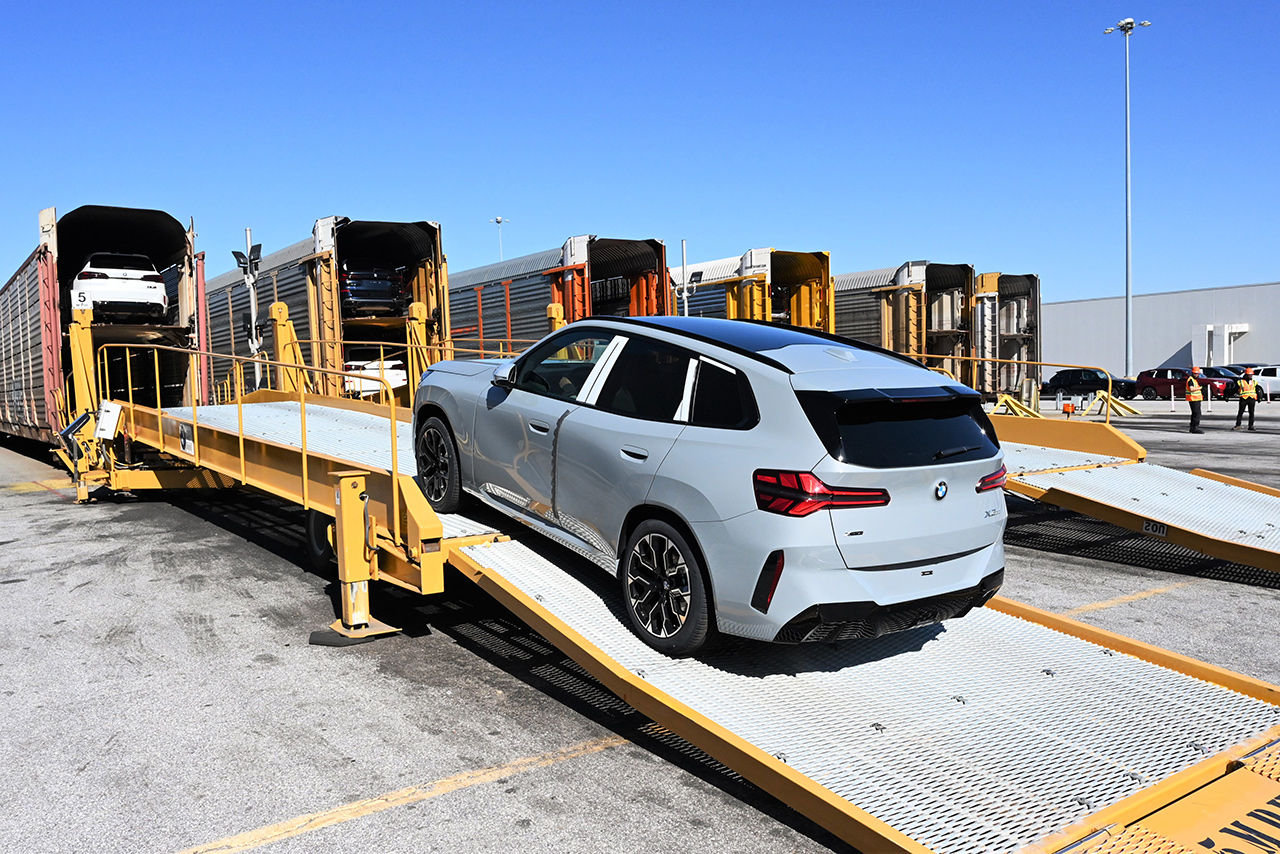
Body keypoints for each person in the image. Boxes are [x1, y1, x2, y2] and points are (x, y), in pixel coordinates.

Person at [1185, 367, 1205, 433]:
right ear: (1192, 373)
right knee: (1197, 414)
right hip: (1193, 399)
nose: (1197, 375)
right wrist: (1200, 388)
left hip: (1196, 399)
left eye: (1197, 374)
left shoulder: (1194, 380)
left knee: (1195, 413)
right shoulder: (1191, 380)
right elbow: (1191, 389)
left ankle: (1193, 427)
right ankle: (1194, 427)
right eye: (1195, 374)